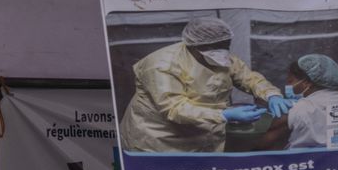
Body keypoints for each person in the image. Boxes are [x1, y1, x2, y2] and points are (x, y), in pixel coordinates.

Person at [120, 16, 294, 152]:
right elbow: (175, 108)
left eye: (226, 45)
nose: (223, 51)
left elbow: (249, 78)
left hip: (201, 132)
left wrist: (272, 95)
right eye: (216, 46)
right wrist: (224, 115)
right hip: (158, 138)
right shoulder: (162, 65)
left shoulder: (221, 57)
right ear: (193, 45)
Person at [255, 54, 338, 149]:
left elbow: (262, 146)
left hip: (305, 165)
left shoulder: (296, 110)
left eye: (291, 81)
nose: (288, 85)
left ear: (307, 82)